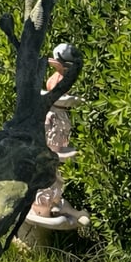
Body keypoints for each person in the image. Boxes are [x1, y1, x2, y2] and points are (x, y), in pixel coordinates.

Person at [27, 41, 90, 228]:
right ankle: (41, 208)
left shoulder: (63, 80)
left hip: (58, 116)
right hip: (53, 116)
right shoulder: (55, 80)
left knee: (53, 164)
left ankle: (51, 203)